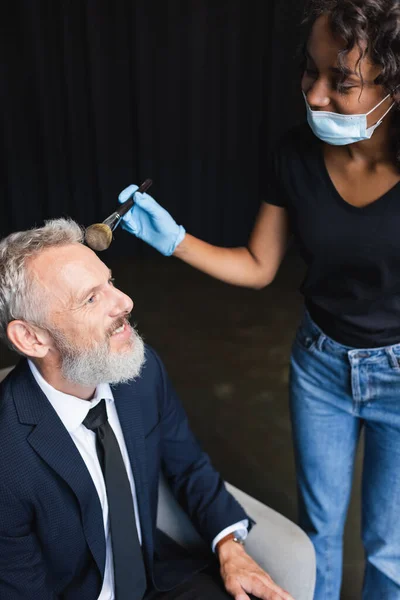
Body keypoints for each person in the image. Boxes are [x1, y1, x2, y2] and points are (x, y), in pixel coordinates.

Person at [116, 1, 400, 598]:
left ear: (394, 87)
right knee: (317, 534)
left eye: (342, 82)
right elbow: (258, 266)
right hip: (320, 365)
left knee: (389, 548)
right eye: (310, 71)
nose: (316, 96)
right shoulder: (294, 153)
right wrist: (175, 242)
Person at [0, 219, 315, 600]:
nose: (125, 302)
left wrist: (231, 546)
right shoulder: (7, 453)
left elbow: (188, 465)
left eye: (110, 282)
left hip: (156, 577)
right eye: (91, 298)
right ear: (31, 337)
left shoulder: (142, 373)